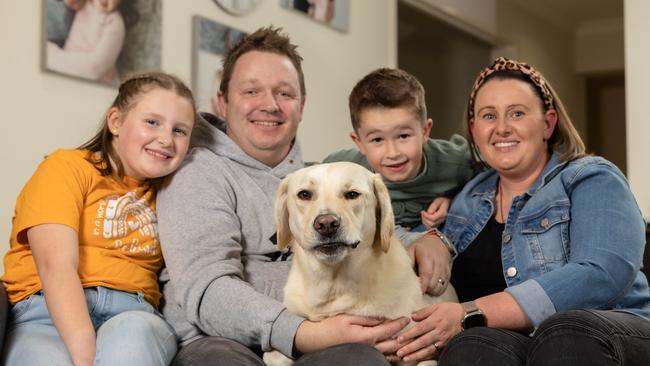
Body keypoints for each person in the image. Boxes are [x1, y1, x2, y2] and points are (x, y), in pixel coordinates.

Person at [157, 27, 452, 366]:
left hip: (320, 336)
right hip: (223, 342)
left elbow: (364, 223)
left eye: (284, 93)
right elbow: (208, 290)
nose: (269, 105)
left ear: (301, 106)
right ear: (222, 102)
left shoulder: (317, 174)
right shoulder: (197, 173)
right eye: (251, 90)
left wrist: (431, 239)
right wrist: (305, 334)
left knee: (360, 360)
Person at [387, 57, 650, 365]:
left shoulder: (590, 177)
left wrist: (471, 313)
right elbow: (388, 241)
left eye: (517, 113)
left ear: (548, 123)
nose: (501, 128)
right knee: (472, 345)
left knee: (565, 332)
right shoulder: (467, 197)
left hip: (608, 333)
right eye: (488, 116)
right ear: (473, 130)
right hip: (512, 344)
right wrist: (426, 239)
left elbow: (602, 273)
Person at [1, 72, 197, 366]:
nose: (166, 139)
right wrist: (85, 356)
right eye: (152, 122)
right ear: (116, 121)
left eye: (180, 130)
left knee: (131, 341)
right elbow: (55, 265)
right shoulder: (66, 167)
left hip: (133, 312)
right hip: (45, 313)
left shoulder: (173, 193)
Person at [323, 68, 475, 236]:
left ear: (425, 131)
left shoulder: (455, 161)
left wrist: (454, 202)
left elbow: (493, 179)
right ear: (359, 142)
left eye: (403, 136)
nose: (393, 153)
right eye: (377, 140)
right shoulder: (342, 167)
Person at [46, 0, 137, 85]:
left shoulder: (115, 23)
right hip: (67, 76)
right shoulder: (83, 5)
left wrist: (51, 55)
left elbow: (94, 69)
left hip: (99, 87)